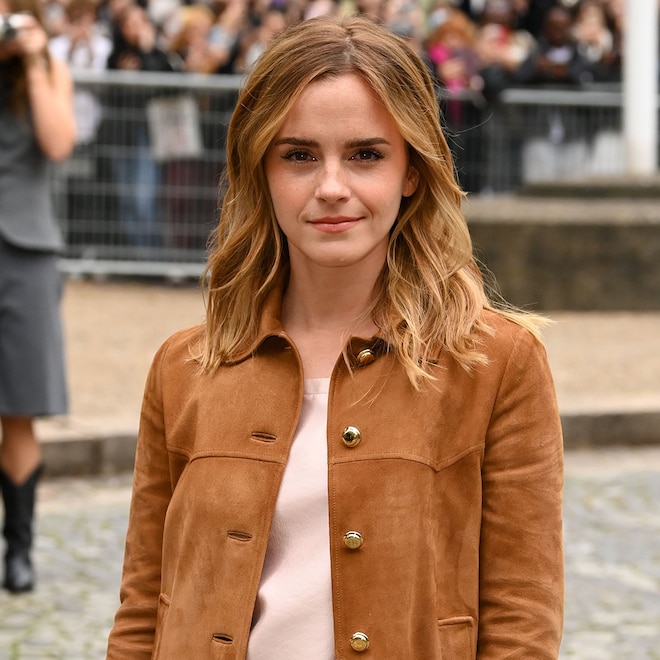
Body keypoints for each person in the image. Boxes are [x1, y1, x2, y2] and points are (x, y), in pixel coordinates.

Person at [107, 14, 564, 659]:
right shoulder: (187, 367)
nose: (330, 188)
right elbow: (143, 609)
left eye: (365, 155)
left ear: (412, 171)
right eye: (298, 155)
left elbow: (522, 622)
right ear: (260, 169)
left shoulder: (495, 364)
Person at [0, 0, 76, 592]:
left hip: (24, 254)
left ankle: (18, 552)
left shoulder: (46, 69)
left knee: (19, 408)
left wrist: (31, 63)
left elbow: (57, 143)